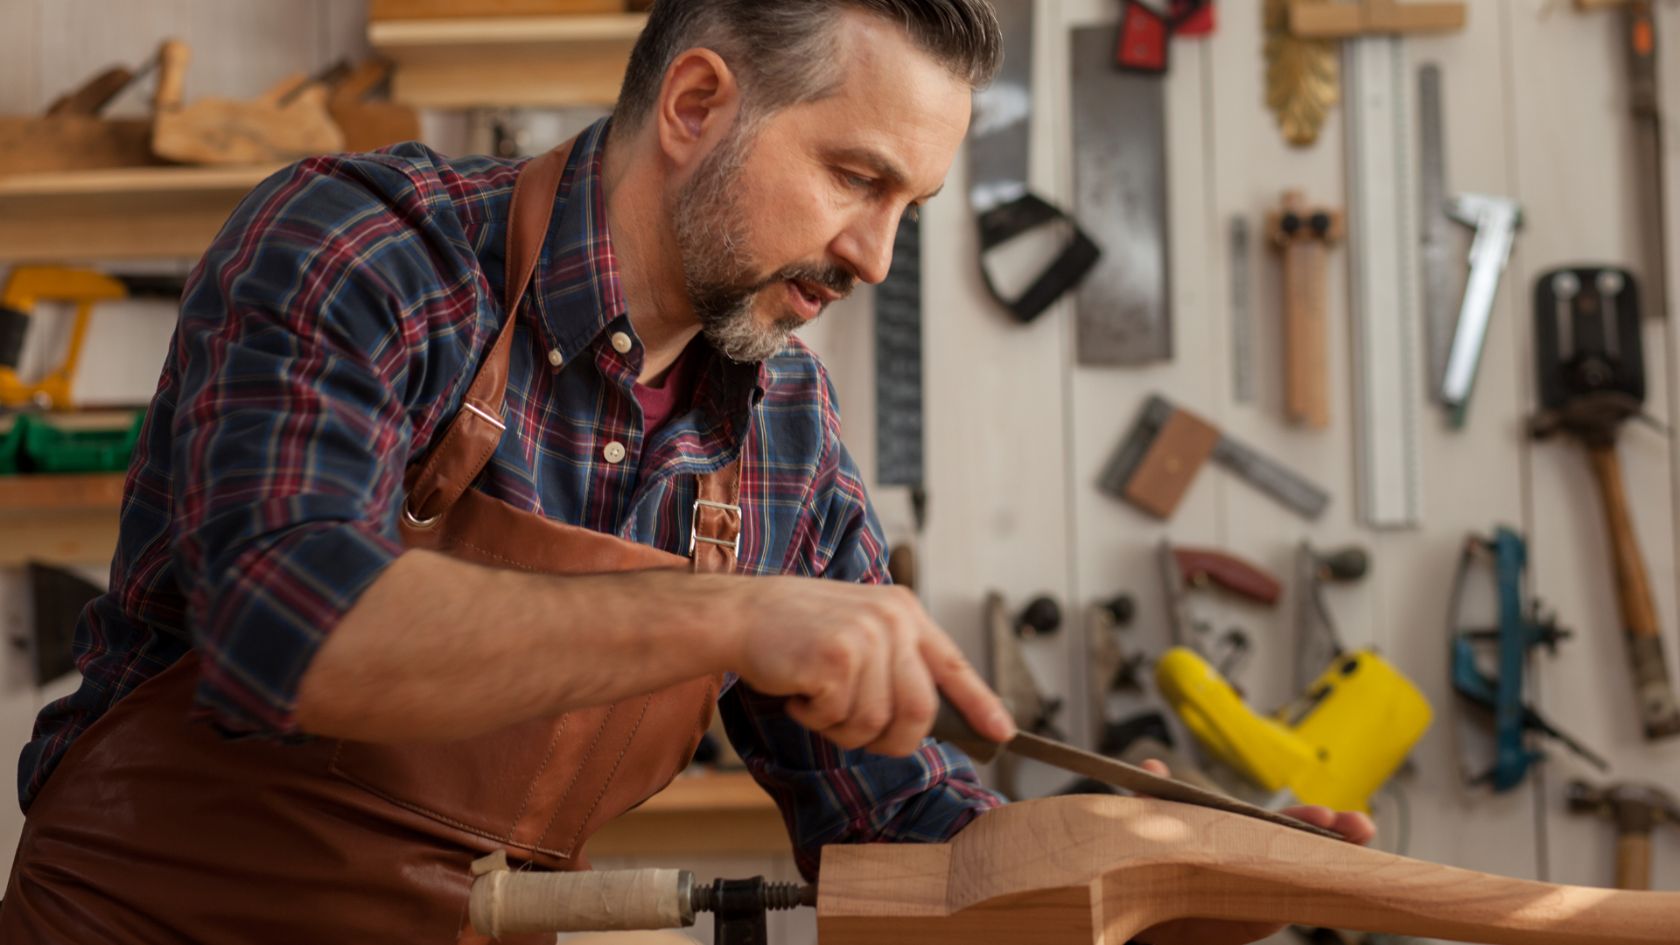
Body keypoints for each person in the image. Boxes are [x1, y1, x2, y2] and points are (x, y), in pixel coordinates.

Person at [3, 2, 1370, 942]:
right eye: (856, 177)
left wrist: (1155, 888)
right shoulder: (369, 250)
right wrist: (731, 613)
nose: (879, 256)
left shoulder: (779, 436)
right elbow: (288, 629)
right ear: (699, 102)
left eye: (911, 208)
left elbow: (894, 836)